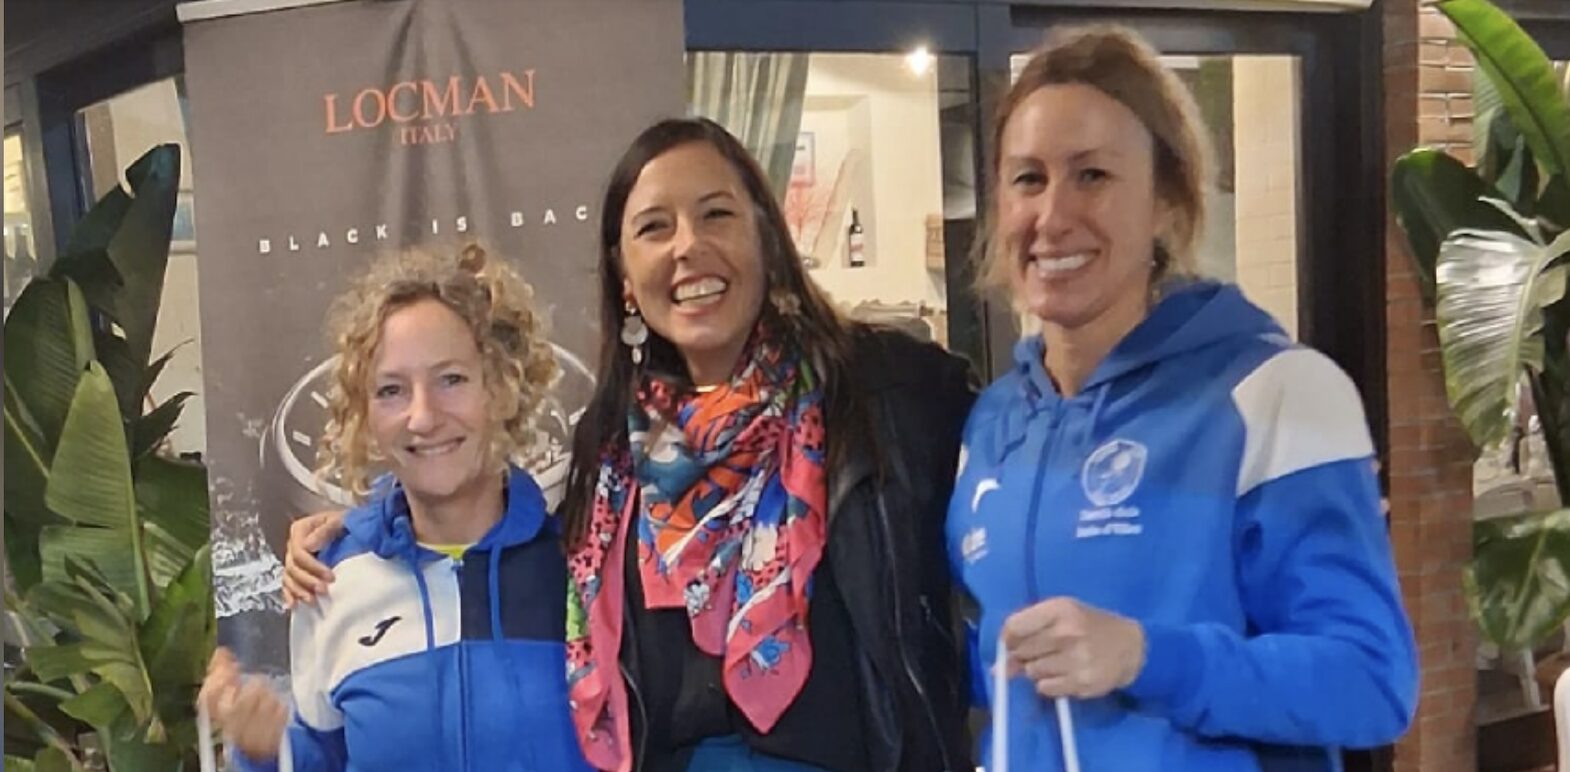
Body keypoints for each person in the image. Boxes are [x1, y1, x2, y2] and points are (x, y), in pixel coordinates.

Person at [283, 118, 977, 772]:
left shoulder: (892, 395)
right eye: (654, 227)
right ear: (624, 276)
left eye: (716, 214)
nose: (686, 247)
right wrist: (366, 527)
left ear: (766, 236)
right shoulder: (613, 456)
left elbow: (994, 543)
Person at [948, 25, 1418, 771]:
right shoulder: (996, 422)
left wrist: (1145, 656)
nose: (1053, 216)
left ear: (1167, 201)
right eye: (1028, 179)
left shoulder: (1275, 393)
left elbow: (1372, 682)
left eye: (1092, 175)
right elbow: (994, 665)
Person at [199, 244, 590, 771]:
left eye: (451, 379)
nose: (422, 417)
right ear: (364, 417)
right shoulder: (330, 579)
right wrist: (263, 753)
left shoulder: (581, 566)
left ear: (501, 389)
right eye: (390, 390)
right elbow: (319, 759)